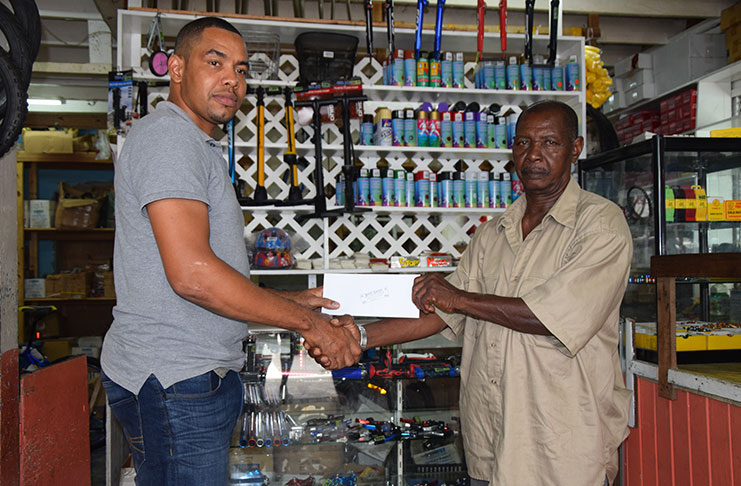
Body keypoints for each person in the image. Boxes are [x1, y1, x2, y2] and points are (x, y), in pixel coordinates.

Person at [315, 101, 632, 486]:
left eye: (550, 142)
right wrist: (358, 337)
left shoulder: (600, 225)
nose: (533, 155)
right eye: (523, 143)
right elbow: (440, 312)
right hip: (493, 438)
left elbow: (551, 318)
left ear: (576, 148)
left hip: (560, 444)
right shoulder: (493, 233)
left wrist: (458, 298)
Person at [100, 17, 361, 486]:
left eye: (240, 70)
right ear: (176, 68)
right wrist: (310, 324)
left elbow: (198, 273)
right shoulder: (169, 140)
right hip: (176, 381)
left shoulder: (195, 144)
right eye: (214, 62)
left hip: (185, 377)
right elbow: (194, 277)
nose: (232, 80)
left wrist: (291, 302)